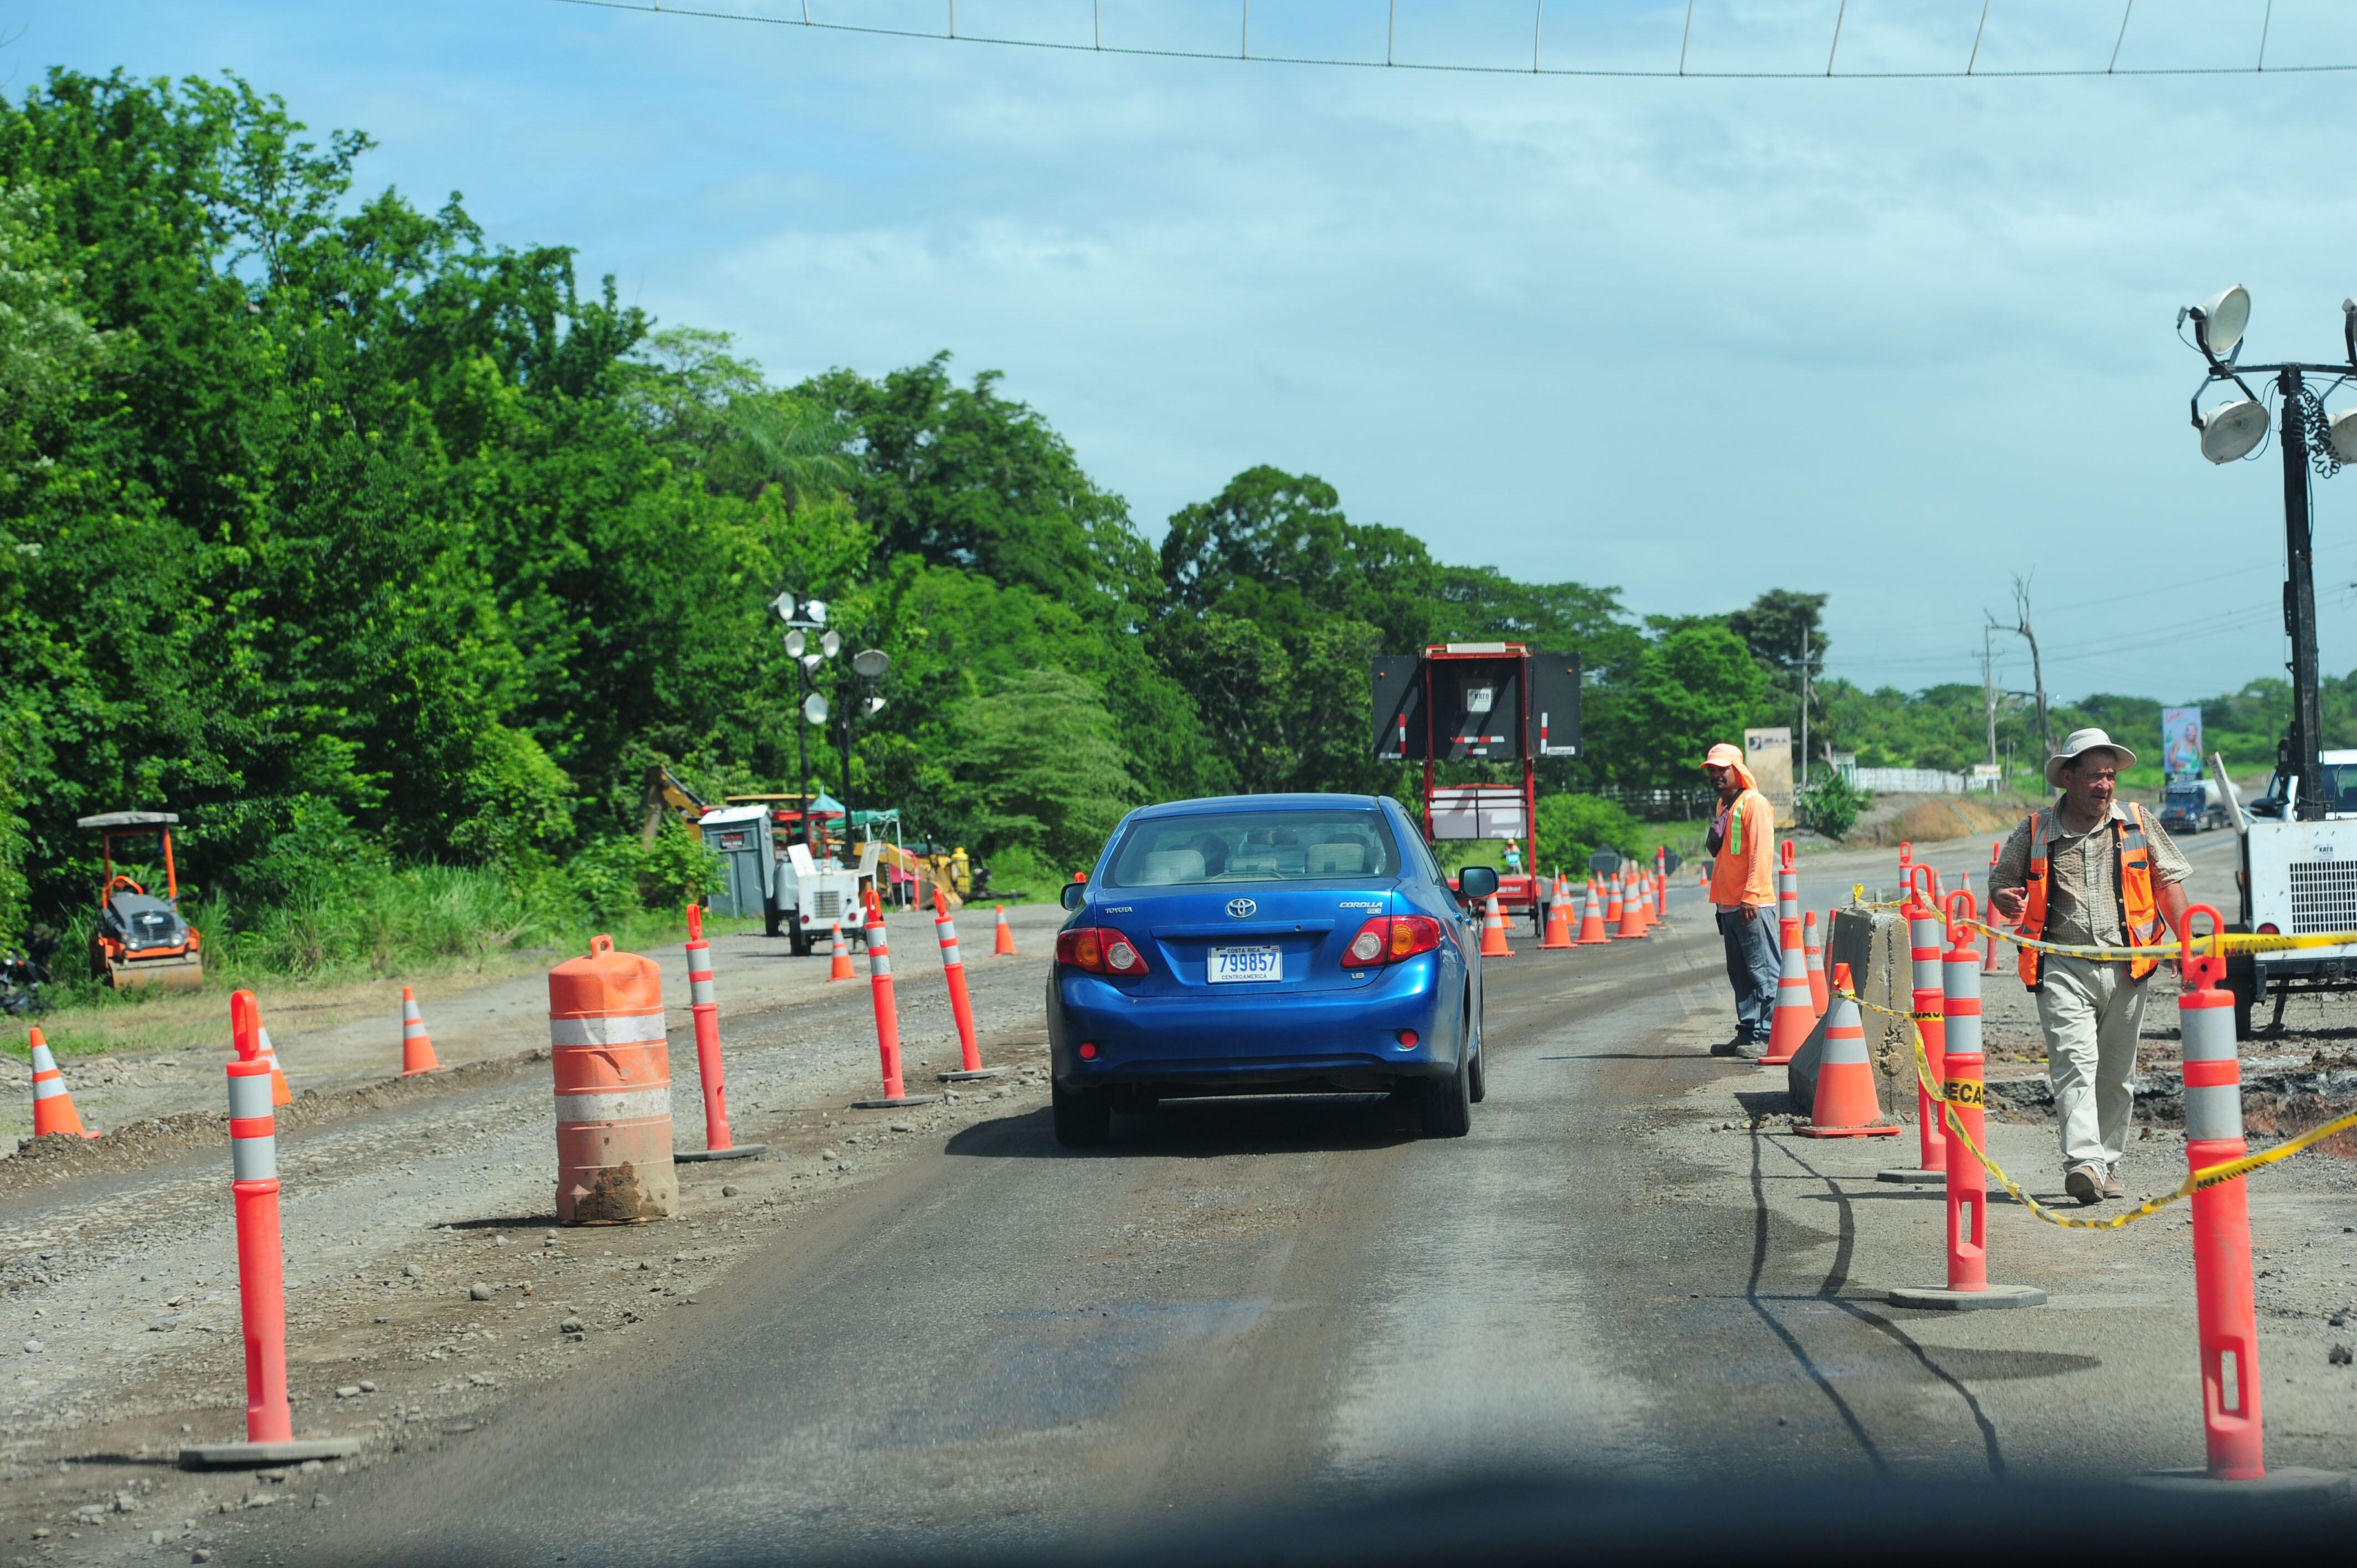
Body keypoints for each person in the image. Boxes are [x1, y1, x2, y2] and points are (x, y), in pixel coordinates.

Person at [1989, 727, 2192, 1206]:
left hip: (2128, 967)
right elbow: (2001, 882)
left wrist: (2188, 944)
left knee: (2116, 1075)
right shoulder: (2036, 830)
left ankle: (2106, 1163)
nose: (2106, 785)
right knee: (2074, 1065)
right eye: (2096, 776)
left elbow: (2167, 883)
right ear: (2068, 777)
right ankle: (2084, 1162)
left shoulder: (2137, 822)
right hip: (2063, 966)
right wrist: (2004, 898)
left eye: (2111, 776)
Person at [1701, 742, 1778, 1058]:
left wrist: (1751, 896)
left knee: (1764, 972)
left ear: (1738, 770)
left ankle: (1769, 1036)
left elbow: (1762, 853)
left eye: (1723, 769)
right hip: (1730, 906)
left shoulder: (1753, 803)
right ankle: (1747, 1033)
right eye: (1712, 770)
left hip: (1752, 905)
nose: (1716, 775)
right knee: (1741, 974)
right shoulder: (1725, 806)